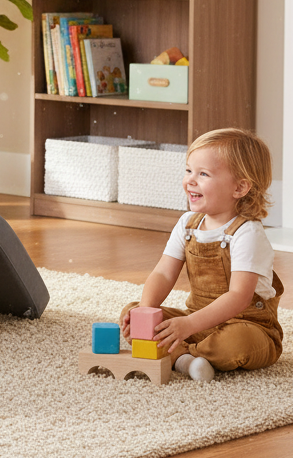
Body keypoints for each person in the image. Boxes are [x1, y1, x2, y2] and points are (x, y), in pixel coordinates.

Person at [119, 128, 284, 382]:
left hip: (249, 325)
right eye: (188, 170)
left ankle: (178, 355)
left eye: (203, 174)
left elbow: (239, 297)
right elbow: (163, 272)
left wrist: (187, 327)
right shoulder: (187, 224)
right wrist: (145, 311)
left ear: (240, 187)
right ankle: (188, 360)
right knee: (132, 312)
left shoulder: (248, 233)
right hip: (196, 321)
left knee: (235, 344)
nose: (190, 180)